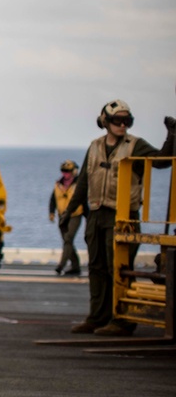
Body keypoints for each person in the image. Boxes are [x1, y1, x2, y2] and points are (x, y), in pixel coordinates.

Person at [64, 99, 174, 337]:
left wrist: (171, 136)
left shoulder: (135, 145)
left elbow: (162, 161)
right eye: (118, 120)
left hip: (123, 216)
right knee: (97, 267)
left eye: (127, 121)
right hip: (96, 214)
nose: (123, 125)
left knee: (119, 268)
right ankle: (97, 317)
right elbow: (82, 182)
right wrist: (69, 212)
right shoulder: (94, 146)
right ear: (105, 121)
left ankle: (121, 321)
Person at [48, 159, 82, 276]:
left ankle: (60, 266)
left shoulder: (79, 185)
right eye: (64, 171)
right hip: (62, 216)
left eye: (68, 171)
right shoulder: (58, 184)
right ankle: (75, 266)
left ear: (74, 171)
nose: (65, 173)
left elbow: (84, 201)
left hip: (75, 215)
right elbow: (53, 199)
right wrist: (51, 212)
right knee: (68, 241)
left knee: (68, 239)